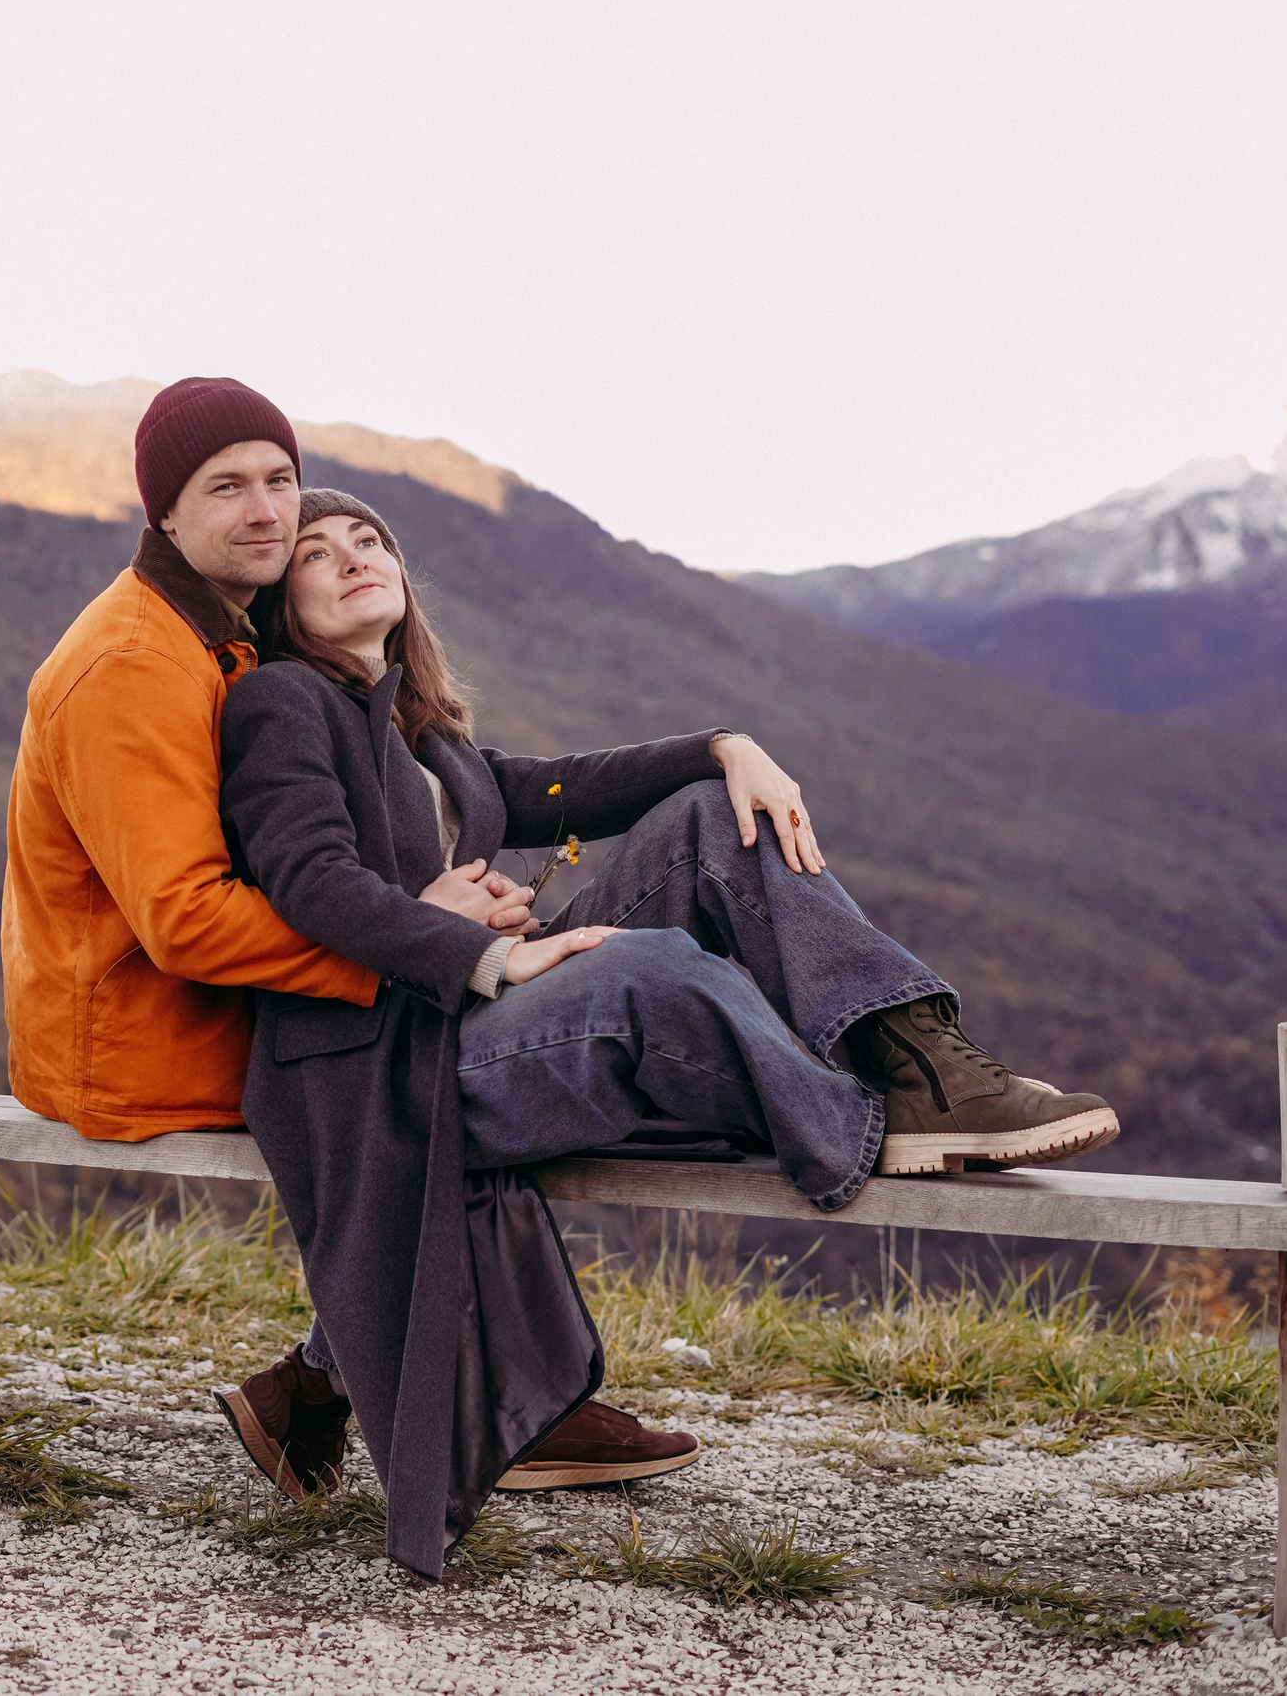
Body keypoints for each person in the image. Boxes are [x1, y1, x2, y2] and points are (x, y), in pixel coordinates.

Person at [215, 489, 1120, 1577]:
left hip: (464, 1010)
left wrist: (722, 746)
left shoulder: (415, 722)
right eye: (317, 553)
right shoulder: (281, 704)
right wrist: (475, 945)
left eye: (370, 540)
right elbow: (308, 881)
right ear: (281, 604)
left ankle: (909, 1048)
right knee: (651, 971)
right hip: (389, 1057)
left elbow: (550, 789)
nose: (354, 557)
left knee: (705, 819)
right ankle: (864, 1120)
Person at [1, 380, 691, 1517]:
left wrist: (703, 754)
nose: (267, 508)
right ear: (164, 515)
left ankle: (326, 1390)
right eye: (226, 486)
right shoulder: (131, 662)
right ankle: (510, 1403)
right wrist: (429, 936)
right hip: (152, 1034)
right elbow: (182, 921)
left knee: (474, 1047)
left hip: (250, 998)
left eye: (279, 476)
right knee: (453, 1073)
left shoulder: (220, 633)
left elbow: (488, 793)